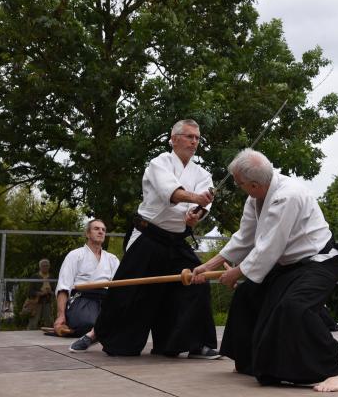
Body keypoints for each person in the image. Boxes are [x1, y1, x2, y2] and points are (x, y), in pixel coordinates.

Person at [192, 148, 338, 392]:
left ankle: (335, 371)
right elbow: (244, 238)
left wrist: (236, 272)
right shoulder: (255, 197)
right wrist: (207, 265)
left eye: (240, 183)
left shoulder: (288, 196)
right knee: (248, 295)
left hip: (319, 262)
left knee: (295, 308)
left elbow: (268, 248)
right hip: (287, 266)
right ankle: (248, 361)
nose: (239, 186)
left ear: (254, 184)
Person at [79, 119, 219, 358]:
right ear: (173, 139)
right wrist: (197, 200)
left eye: (197, 138)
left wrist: (197, 215)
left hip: (176, 240)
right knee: (128, 292)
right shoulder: (159, 163)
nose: (194, 142)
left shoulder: (202, 173)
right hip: (148, 236)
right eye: (189, 136)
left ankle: (195, 344)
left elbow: (206, 203)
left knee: (198, 280)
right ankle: (98, 332)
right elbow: (172, 193)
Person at [54, 219, 119, 340]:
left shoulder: (112, 259)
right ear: (88, 234)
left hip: (106, 301)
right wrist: (61, 315)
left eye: (103, 230)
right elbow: (64, 286)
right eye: (96, 229)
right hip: (83, 300)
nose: (101, 232)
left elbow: (118, 288)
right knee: (87, 323)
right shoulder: (75, 255)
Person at [24, 259, 54, 330]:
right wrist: (40, 293)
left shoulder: (51, 277)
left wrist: (50, 292)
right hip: (36, 302)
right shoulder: (35, 276)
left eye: (47, 266)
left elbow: (55, 290)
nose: (45, 267)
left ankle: (49, 337)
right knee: (33, 321)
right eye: (43, 266)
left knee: (49, 321)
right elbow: (30, 291)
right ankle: (30, 336)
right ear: (40, 267)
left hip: (47, 301)